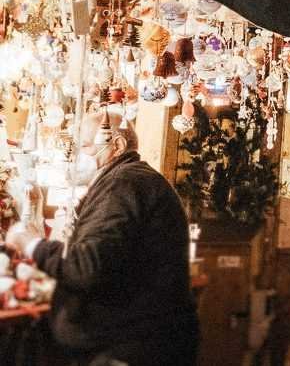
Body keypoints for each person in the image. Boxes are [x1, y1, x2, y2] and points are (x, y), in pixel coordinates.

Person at [5, 113, 198, 366]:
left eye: (83, 146)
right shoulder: (127, 181)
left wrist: (31, 243)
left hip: (131, 348)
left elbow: (86, 267)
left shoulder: (125, 183)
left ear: (116, 145)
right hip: (131, 341)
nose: (73, 156)